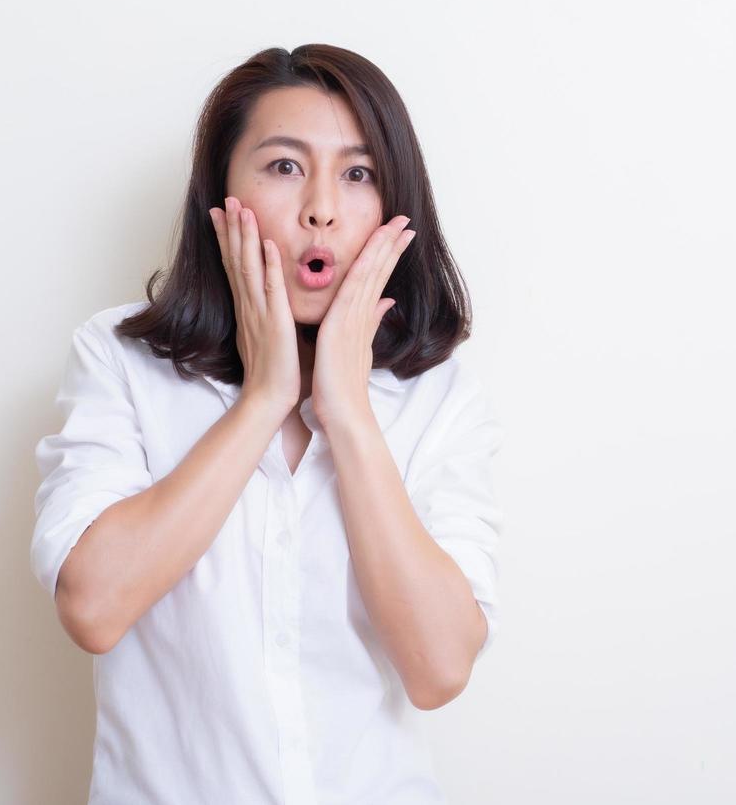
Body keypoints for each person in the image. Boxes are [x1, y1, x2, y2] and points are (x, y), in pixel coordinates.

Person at [30, 43, 505, 804]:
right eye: (284, 166)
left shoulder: (437, 400)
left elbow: (438, 668)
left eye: (358, 174)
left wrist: (345, 411)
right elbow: (93, 606)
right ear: (220, 193)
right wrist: (262, 399)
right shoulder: (120, 361)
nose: (320, 208)